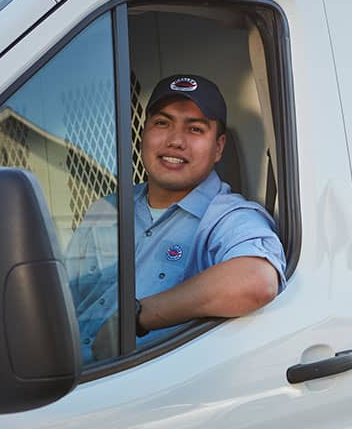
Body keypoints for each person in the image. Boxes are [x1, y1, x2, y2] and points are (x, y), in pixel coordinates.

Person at [67, 74, 286, 363]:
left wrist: (136, 317)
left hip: (138, 389)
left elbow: (257, 281)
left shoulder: (226, 217)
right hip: (67, 380)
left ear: (218, 147)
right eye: (162, 123)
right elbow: (65, 301)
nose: (175, 141)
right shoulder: (108, 209)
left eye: (195, 129)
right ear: (143, 133)